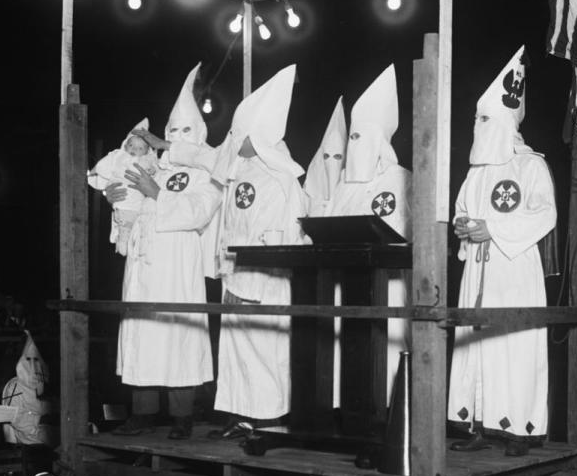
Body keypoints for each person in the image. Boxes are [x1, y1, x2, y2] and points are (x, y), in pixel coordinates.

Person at [447, 46, 557, 457]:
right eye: (478, 119)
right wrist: (464, 226)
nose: (478, 125)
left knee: (513, 344)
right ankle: (478, 424)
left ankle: (519, 431)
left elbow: (544, 215)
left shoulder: (532, 168)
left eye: (485, 119)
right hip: (477, 271)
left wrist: (492, 229)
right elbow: (463, 210)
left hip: (514, 271)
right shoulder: (476, 174)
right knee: (478, 345)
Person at [102, 64, 221, 440]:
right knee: (142, 332)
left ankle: (183, 415)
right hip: (143, 263)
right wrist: (115, 199)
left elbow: (200, 211)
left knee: (176, 333)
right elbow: (129, 199)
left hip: (177, 266)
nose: (174, 138)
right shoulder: (149, 164)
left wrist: (157, 193)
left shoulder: (206, 170)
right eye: (170, 131)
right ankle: (142, 413)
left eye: (184, 131)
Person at [201, 64, 308, 439]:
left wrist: (257, 272)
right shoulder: (239, 173)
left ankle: (271, 420)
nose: (232, 139)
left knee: (265, 350)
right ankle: (243, 415)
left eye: (238, 133)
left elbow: (289, 235)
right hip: (236, 278)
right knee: (237, 351)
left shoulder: (282, 180)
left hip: (265, 283)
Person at [320, 64, 412, 416]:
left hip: (387, 286)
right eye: (351, 137)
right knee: (349, 351)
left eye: (360, 137)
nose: (352, 144)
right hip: (348, 284)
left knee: (385, 351)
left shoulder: (402, 179)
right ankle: (349, 415)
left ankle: (390, 416)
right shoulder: (343, 184)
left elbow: (411, 232)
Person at [90, 119, 161, 256]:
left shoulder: (150, 161)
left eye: (140, 148)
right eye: (131, 145)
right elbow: (102, 168)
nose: (134, 150)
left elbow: (156, 175)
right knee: (125, 223)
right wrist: (104, 186)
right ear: (125, 144)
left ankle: (133, 242)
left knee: (138, 225)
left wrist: (152, 172)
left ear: (148, 150)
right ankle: (123, 239)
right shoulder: (118, 157)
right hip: (123, 198)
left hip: (142, 208)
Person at [303, 96, 346, 217]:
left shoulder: (351, 192)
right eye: (326, 156)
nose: (331, 161)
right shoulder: (310, 190)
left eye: (338, 156)